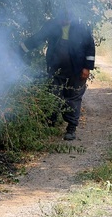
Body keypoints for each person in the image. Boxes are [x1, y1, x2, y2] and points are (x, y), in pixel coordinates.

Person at [20, 9, 96, 141]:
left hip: (76, 70)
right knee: (53, 96)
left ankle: (71, 128)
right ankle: (50, 124)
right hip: (56, 69)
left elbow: (90, 47)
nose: (64, 22)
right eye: (62, 19)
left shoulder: (81, 28)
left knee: (73, 98)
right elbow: (38, 38)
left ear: (71, 18)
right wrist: (21, 48)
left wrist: (87, 68)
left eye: (67, 19)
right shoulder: (52, 26)